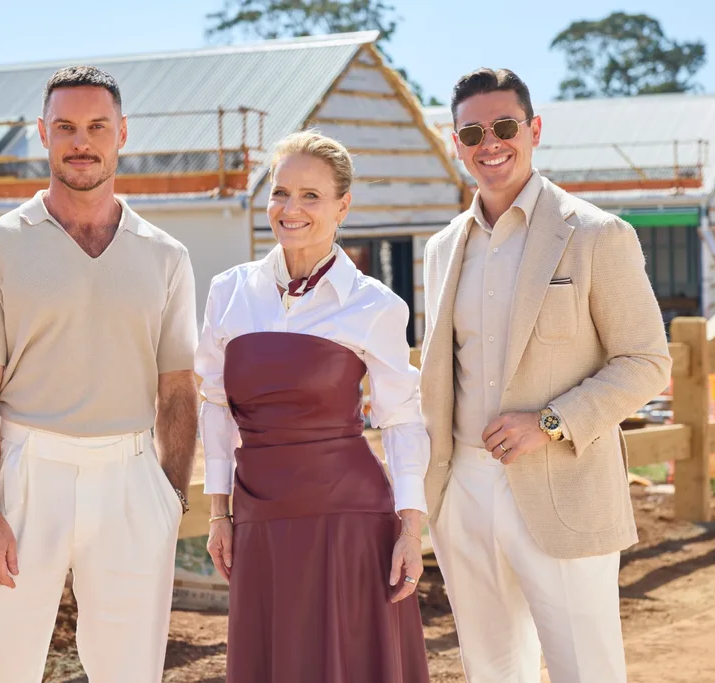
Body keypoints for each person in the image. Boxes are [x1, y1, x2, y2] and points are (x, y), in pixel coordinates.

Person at [0, 65, 199, 683]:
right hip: (26, 477)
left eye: (96, 126)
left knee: (130, 669)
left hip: (133, 479)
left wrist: (170, 499)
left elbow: (178, 389)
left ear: (122, 133)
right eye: (66, 127)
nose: (82, 141)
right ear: (43, 134)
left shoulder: (166, 255)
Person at [420, 68, 673, 682]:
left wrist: (550, 422)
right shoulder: (441, 248)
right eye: (473, 131)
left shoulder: (596, 234)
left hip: (563, 484)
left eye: (505, 126)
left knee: (586, 671)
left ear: (533, 130)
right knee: (492, 671)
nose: (490, 142)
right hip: (464, 495)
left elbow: (647, 362)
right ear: (456, 141)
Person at [195, 131, 431, 683]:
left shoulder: (375, 305)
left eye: (310, 196)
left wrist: (411, 531)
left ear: (342, 205)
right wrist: (218, 513)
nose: (290, 209)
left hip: (348, 520)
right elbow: (213, 404)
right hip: (259, 516)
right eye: (280, 193)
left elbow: (400, 420)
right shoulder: (229, 292)